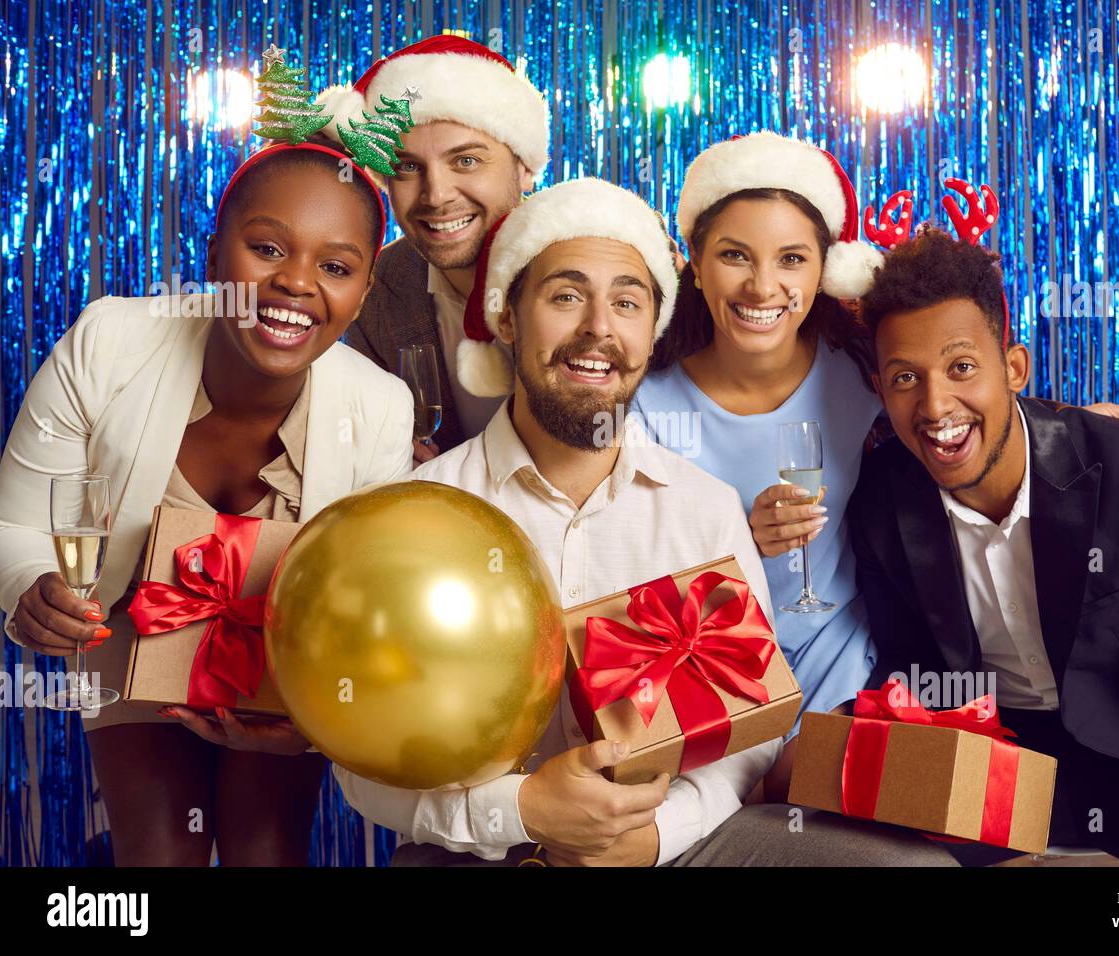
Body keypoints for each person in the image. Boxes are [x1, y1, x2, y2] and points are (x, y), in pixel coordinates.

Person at [332, 177, 956, 866]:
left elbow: (749, 738)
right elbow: (360, 766)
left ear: (650, 329)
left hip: (680, 845)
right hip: (486, 848)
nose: (599, 328)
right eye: (566, 296)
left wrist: (657, 834)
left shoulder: (703, 508)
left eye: (626, 303)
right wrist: (521, 810)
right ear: (506, 319)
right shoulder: (421, 515)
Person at [633, 133, 1119, 798]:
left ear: (822, 270)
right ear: (695, 262)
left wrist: (1068, 427)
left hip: (848, 679)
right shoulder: (647, 408)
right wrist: (739, 536)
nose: (763, 284)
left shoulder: (856, 370)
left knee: (926, 824)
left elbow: (956, 405)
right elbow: (636, 586)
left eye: (791, 259)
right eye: (734, 256)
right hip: (721, 689)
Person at [0, 82, 414, 865]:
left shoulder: (380, 406)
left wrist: (317, 717)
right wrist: (30, 587)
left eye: (336, 265)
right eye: (267, 248)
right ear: (216, 247)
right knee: (159, 855)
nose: (297, 282)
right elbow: (14, 527)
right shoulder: (110, 342)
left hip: (285, 659)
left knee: (267, 851)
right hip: (127, 631)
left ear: (360, 293)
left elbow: (369, 605)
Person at [848, 225, 1119, 866]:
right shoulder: (882, 502)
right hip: (998, 769)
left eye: (962, 367)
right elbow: (912, 674)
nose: (935, 403)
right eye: (903, 379)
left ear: (1014, 368)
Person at [319, 35, 549, 457]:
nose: (437, 195)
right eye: (408, 166)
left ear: (524, 167)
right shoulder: (376, 292)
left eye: (466, 160)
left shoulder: (602, 257)